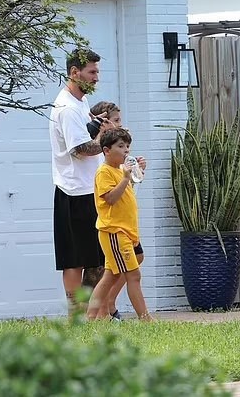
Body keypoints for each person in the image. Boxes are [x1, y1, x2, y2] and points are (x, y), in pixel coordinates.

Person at [49, 48, 110, 314]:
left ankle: (90, 313)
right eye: (92, 72)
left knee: (95, 258)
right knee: (74, 259)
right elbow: (81, 150)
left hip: (89, 189)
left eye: (97, 71)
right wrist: (105, 140)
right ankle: (76, 315)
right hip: (74, 192)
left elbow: (85, 134)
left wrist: (96, 124)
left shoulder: (80, 103)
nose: (97, 78)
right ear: (75, 72)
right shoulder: (66, 108)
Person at [82, 101, 146, 321]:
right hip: (114, 232)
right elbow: (109, 199)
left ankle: (90, 317)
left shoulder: (120, 171)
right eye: (121, 147)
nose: (126, 151)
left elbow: (126, 194)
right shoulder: (104, 173)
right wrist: (126, 178)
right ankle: (146, 318)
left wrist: (135, 174)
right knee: (134, 275)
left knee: (110, 275)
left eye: (127, 147)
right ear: (106, 150)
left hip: (124, 231)